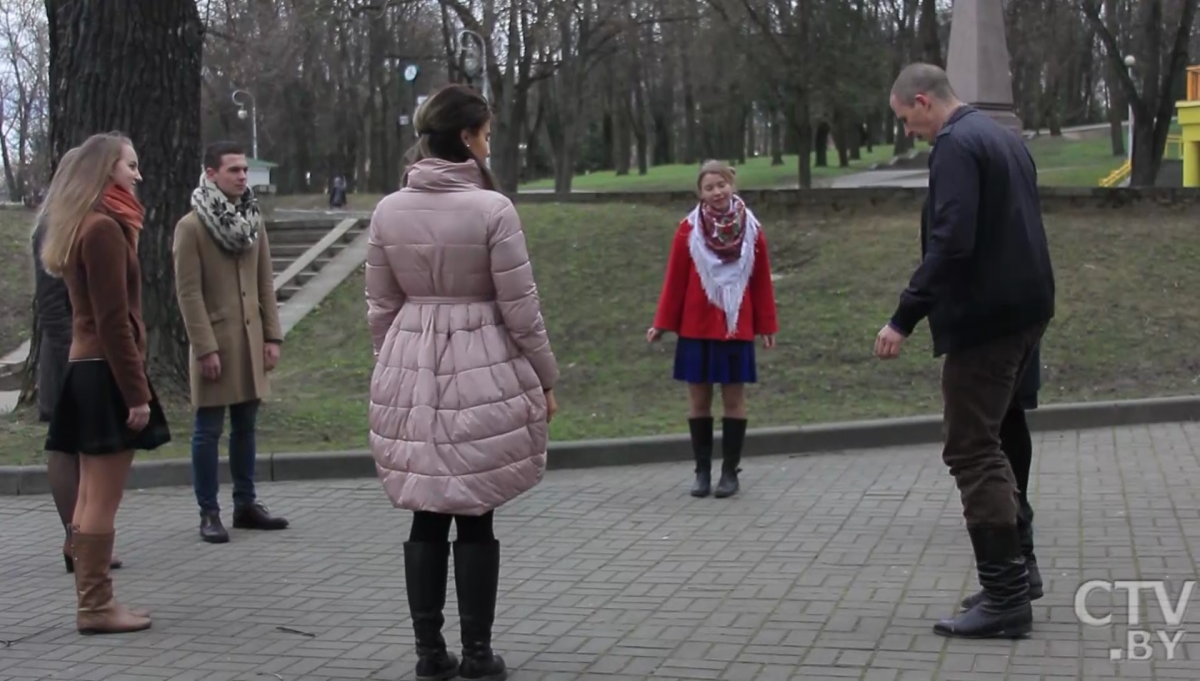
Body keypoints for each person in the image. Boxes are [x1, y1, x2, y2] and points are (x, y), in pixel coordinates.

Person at [366, 83, 559, 681]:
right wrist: (545, 377)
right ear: (469, 138)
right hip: (481, 357)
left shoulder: (388, 209)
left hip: (410, 354)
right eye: (487, 133)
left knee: (426, 509)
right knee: (476, 508)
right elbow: (520, 307)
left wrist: (390, 365)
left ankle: (429, 654)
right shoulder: (492, 210)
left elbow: (380, 304)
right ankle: (478, 653)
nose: (490, 142)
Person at [874, 63, 1055, 640]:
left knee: (972, 448)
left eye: (906, 121)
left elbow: (953, 241)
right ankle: (1019, 574)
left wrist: (904, 316)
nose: (909, 132)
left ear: (923, 102)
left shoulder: (955, 145)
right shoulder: (1003, 139)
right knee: (1002, 432)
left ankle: (1005, 597)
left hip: (987, 320)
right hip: (1026, 309)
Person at [41, 132, 171, 634]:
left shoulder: (90, 224)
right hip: (106, 371)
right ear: (105, 170)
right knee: (100, 498)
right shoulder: (103, 230)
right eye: (129, 165)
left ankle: (97, 603)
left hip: (90, 367)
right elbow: (115, 321)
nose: (137, 174)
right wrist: (136, 393)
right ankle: (95, 606)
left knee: (92, 496)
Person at [173, 141, 288, 544]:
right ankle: (209, 511)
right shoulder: (191, 227)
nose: (242, 176)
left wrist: (272, 335)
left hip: (251, 339)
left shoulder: (253, 220)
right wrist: (204, 347)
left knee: (246, 426)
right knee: (208, 429)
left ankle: (246, 504)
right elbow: (188, 294)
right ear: (211, 174)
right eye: (233, 170)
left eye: (244, 170)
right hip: (216, 342)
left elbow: (264, 283)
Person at [647, 160, 778, 499]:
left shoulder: (752, 229)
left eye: (722, 184)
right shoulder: (687, 230)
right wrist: (662, 324)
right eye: (709, 187)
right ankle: (702, 471)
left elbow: (760, 280)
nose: (717, 192)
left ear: (731, 185)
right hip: (696, 327)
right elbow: (674, 280)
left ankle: (729, 472)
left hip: (736, 327)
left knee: (734, 399)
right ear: (700, 193)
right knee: (699, 401)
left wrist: (766, 324)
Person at [31, 147, 126, 575]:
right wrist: (78, 361)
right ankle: (75, 537)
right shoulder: (54, 226)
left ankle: (86, 538)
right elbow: (52, 308)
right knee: (65, 446)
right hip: (67, 355)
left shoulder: (89, 222)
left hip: (84, 353)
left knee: (84, 447)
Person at [960, 341, 1043, 611]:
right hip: (1013, 319)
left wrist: (903, 319)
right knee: (1006, 418)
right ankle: (1017, 574)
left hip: (998, 328)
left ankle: (1008, 587)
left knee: (989, 434)